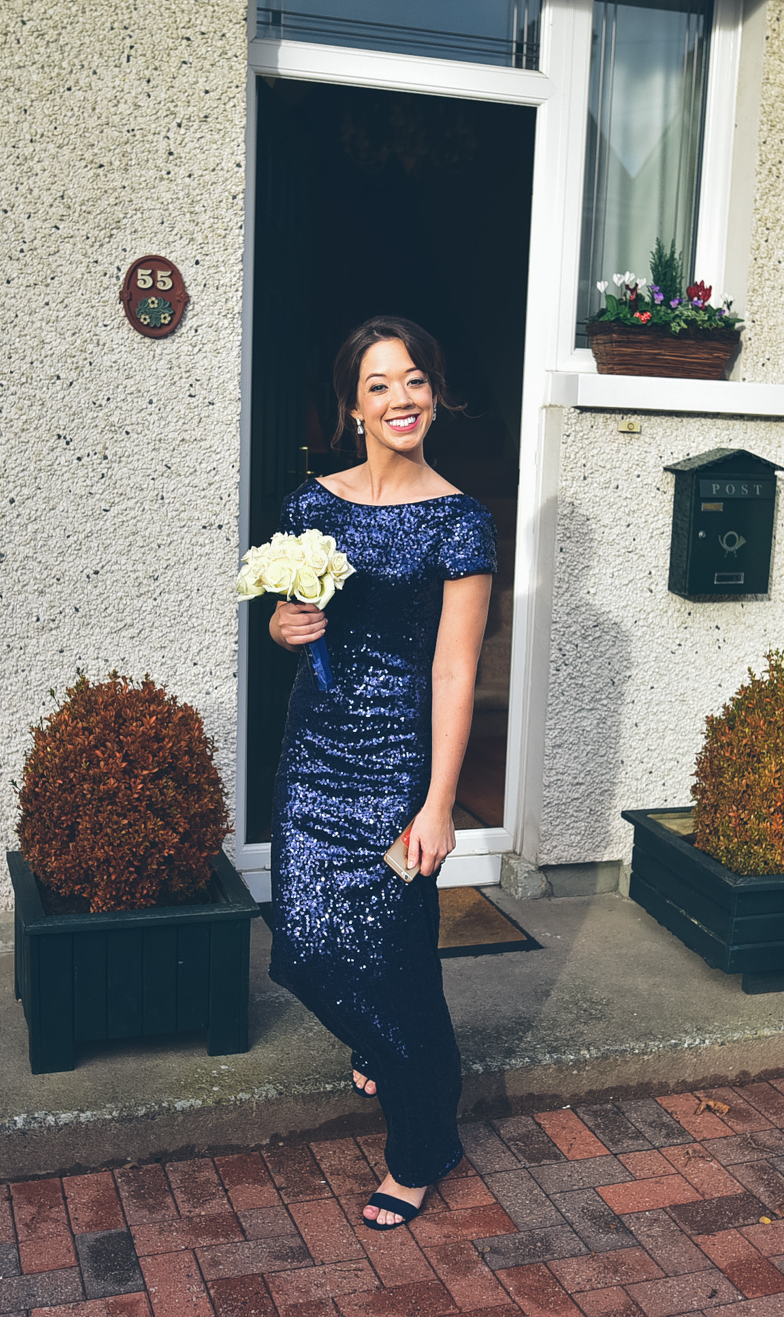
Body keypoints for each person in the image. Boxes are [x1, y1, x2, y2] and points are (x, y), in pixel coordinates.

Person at [266, 316, 495, 1229]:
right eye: (379, 385)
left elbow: (455, 670)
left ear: (434, 394)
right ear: (352, 406)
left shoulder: (460, 520)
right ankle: (388, 1046)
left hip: (401, 764)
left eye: (414, 381)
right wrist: (285, 627)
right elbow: (296, 623)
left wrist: (439, 802)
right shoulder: (309, 505)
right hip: (316, 754)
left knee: (397, 959)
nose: (400, 399)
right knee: (303, 946)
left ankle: (420, 1144)